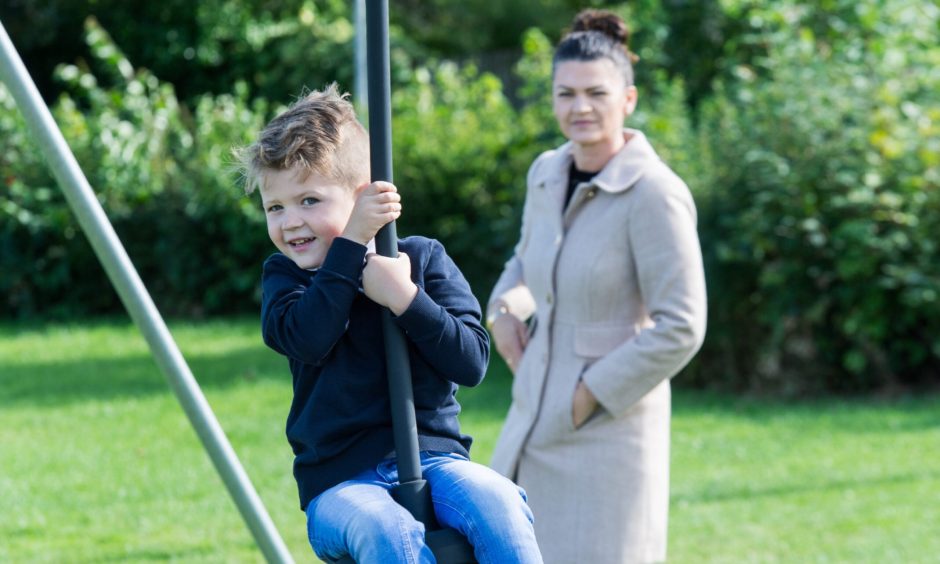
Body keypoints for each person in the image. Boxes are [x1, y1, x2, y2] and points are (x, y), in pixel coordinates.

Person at [238, 84, 542, 564]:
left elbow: (471, 362)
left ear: (364, 196)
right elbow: (309, 338)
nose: (290, 222)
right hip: (339, 483)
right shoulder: (287, 278)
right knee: (388, 528)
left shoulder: (421, 259)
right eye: (275, 207)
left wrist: (404, 297)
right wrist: (351, 245)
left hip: (437, 459)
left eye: (309, 201)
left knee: (500, 501)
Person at [486, 9, 707, 564]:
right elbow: (527, 262)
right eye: (566, 93)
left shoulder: (655, 193)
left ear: (627, 100)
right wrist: (503, 310)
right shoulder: (544, 173)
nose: (579, 107)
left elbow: (682, 325)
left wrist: (588, 394)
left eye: (596, 93)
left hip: (609, 435)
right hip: (529, 418)